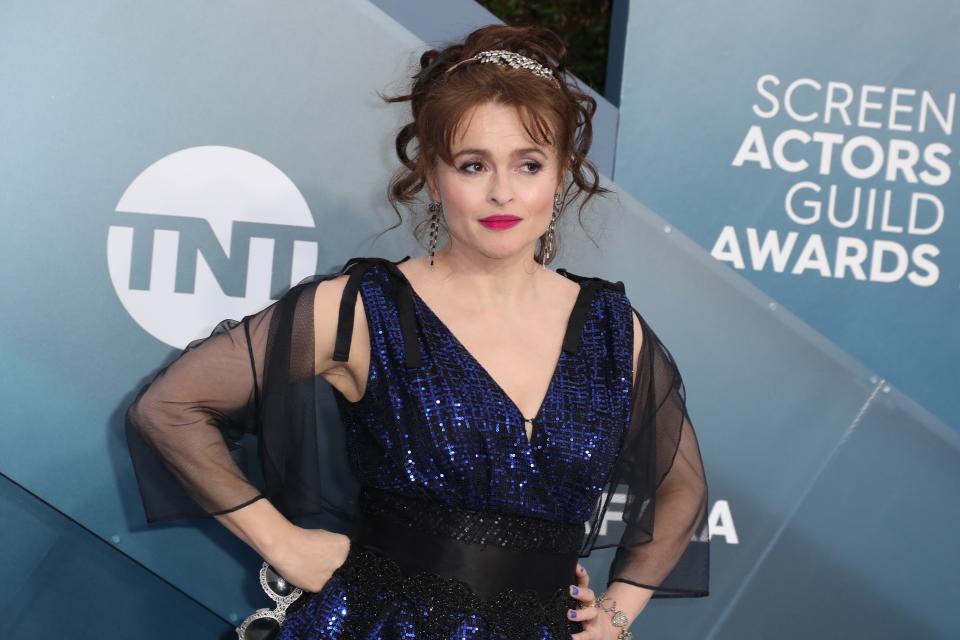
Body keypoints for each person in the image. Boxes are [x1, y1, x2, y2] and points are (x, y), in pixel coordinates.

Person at [124, 24, 709, 640]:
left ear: (561, 174)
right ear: (432, 176)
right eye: (473, 165)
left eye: (528, 164)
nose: (502, 192)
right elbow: (169, 409)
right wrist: (284, 544)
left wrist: (618, 612)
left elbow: (682, 489)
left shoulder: (614, 331)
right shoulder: (360, 309)